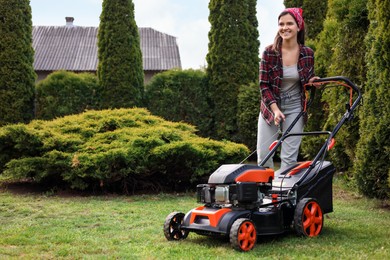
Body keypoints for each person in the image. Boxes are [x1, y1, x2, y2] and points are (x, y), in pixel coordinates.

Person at [257, 7, 319, 169]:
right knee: (264, 157)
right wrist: (275, 109)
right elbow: (264, 85)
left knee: (289, 159)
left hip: (294, 107)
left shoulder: (307, 53)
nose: (285, 27)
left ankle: (285, 192)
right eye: (281, 24)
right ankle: (264, 192)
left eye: (289, 23)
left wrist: (312, 81)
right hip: (271, 107)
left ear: (298, 26)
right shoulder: (269, 53)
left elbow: (304, 80)